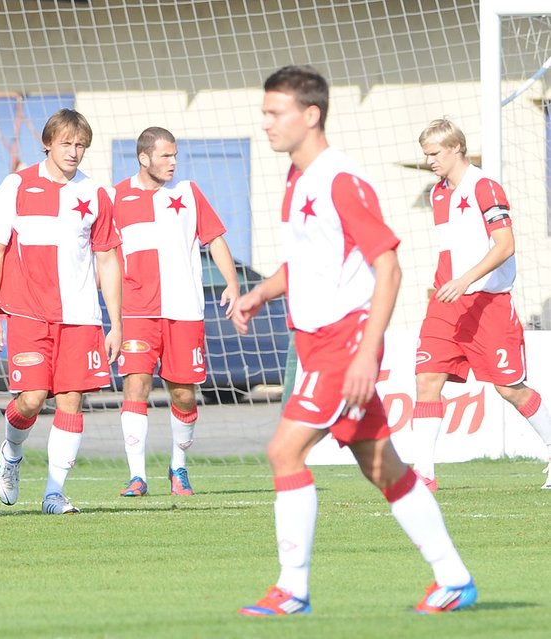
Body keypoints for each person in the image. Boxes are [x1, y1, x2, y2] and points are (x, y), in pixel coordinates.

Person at [232, 65, 474, 615]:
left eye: (276, 113)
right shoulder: (297, 178)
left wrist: (368, 351)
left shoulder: (341, 178)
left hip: (346, 339)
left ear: (310, 114)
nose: (266, 122)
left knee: (284, 451)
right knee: (380, 464)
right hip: (317, 342)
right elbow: (307, 262)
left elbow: (388, 267)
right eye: (265, 112)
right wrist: (262, 293)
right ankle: (454, 577)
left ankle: (292, 590)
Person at [0, 108, 122, 515]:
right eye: (66, 143)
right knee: (31, 398)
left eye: (81, 145)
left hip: (80, 316)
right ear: (47, 143)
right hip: (26, 311)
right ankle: (12, 451)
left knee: (71, 400)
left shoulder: (95, 194)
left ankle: (54, 493)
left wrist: (116, 322)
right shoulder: (17, 185)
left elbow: (109, 258)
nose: (74, 152)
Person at [409, 118, 551, 490]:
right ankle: (423, 474)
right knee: (427, 380)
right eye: (426, 155)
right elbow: (450, 250)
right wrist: (446, 284)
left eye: (434, 154)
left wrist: (464, 280)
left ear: (456, 147)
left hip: (487, 304)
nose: (430, 162)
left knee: (510, 389)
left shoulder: (485, 187)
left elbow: (505, 246)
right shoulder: (438, 193)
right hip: (446, 304)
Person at [112, 126, 239, 497]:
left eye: (175, 155)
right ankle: (137, 476)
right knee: (136, 384)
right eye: (166, 156)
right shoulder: (113, 197)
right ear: (143, 157)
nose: (173, 162)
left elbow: (215, 238)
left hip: (184, 310)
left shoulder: (187, 193)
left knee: (183, 394)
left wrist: (232, 283)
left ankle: (178, 468)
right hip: (136, 311)